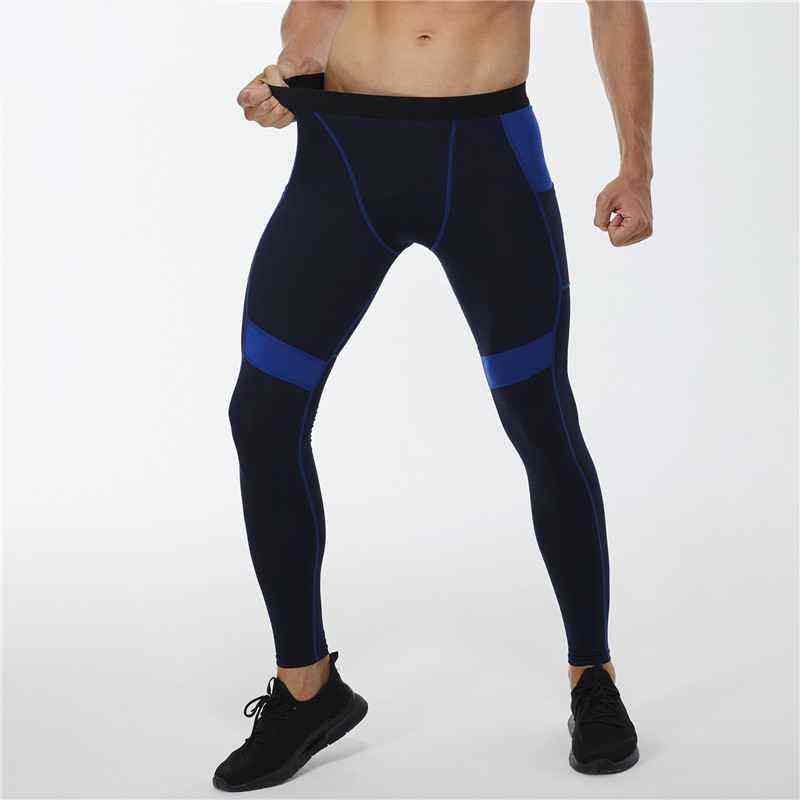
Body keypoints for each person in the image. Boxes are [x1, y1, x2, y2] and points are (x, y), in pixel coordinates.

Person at [214, 0, 653, 790]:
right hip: (344, 152)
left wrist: (636, 166)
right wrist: (290, 72)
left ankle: (593, 674)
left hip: (484, 158)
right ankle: (306, 686)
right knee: (263, 415)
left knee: (541, 417)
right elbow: (319, 7)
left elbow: (614, 8)